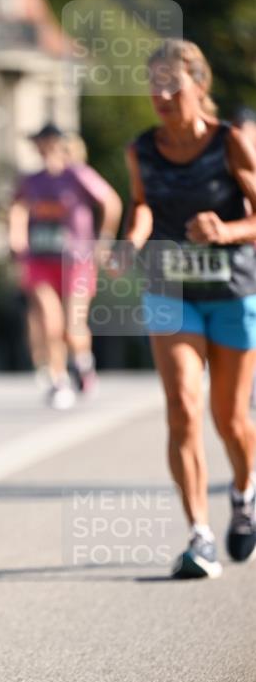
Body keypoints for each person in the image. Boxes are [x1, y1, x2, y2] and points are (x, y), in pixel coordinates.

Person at [116, 39, 256, 578]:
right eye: (154, 83)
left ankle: (243, 494)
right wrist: (133, 239)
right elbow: (144, 203)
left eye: (173, 83)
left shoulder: (230, 143)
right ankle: (199, 534)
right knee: (181, 405)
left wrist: (226, 230)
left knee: (231, 419)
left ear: (201, 85)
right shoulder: (142, 148)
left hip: (233, 290)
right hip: (169, 287)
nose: (163, 94)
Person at [8, 123, 121, 408]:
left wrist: (104, 241)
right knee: (49, 320)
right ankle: (58, 381)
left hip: (77, 260)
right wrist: (17, 241)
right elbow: (18, 210)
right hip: (40, 259)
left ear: (61, 145)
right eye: (40, 144)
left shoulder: (77, 175)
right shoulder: (31, 181)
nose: (45, 149)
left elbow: (111, 202)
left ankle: (82, 361)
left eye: (50, 143)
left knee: (73, 325)